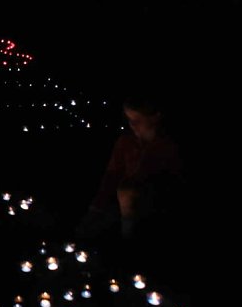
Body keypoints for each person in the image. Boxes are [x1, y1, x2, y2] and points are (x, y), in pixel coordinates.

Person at [78, 96, 184, 241]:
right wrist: (96, 208)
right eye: (129, 120)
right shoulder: (126, 142)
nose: (132, 124)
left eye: (137, 120)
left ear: (154, 118)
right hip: (121, 205)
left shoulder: (169, 147)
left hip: (155, 206)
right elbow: (112, 175)